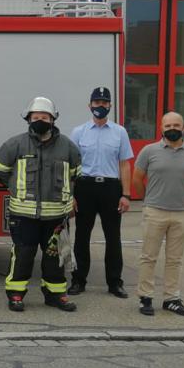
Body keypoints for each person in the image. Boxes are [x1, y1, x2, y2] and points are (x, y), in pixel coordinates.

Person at [0, 97, 81, 312]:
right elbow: (1, 170)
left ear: (53, 119)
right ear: (28, 120)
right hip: (23, 215)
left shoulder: (67, 146)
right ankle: (15, 294)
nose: (40, 120)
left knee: (55, 258)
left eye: (44, 117)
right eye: (35, 117)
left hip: (56, 216)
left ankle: (56, 295)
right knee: (23, 255)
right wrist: (15, 189)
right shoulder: (15, 144)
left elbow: (75, 175)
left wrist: (68, 201)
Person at [132, 111, 184, 317]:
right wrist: (148, 199)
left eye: (176, 125)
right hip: (154, 211)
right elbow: (137, 179)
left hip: (183, 213)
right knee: (148, 257)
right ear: (161, 128)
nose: (172, 129)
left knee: (175, 259)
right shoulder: (149, 151)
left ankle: (171, 298)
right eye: (168, 125)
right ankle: (145, 297)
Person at [68, 86, 133, 299]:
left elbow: (124, 164)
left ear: (110, 106)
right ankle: (78, 280)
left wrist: (126, 194)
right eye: (97, 103)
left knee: (113, 237)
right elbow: (70, 166)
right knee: (82, 236)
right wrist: (70, 195)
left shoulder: (119, 132)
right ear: (90, 105)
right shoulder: (79, 132)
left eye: (105, 103)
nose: (101, 106)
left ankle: (115, 282)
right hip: (84, 187)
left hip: (110, 188)